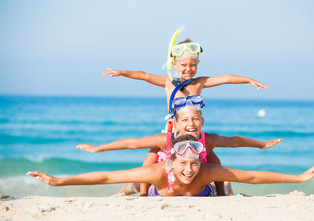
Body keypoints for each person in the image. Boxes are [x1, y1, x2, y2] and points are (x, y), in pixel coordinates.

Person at [76, 103, 283, 196]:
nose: (191, 123)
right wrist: (99, 149)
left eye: (195, 119)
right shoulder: (164, 139)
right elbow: (131, 142)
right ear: (176, 124)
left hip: (195, 176)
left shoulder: (207, 139)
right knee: (150, 154)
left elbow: (235, 141)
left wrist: (262, 145)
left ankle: (222, 194)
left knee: (215, 161)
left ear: (202, 121)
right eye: (185, 120)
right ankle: (140, 192)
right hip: (166, 177)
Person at [27, 135, 314, 197]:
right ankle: (134, 190)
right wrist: (59, 181)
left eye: (194, 163)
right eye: (182, 163)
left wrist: (299, 178)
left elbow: (252, 175)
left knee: (231, 179)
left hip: (204, 194)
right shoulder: (159, 171)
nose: (188, 169)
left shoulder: (207, 171)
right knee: (129, 182)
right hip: (162, 190)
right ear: (170, 161)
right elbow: (106, 175)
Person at [103, 38, 269, 108]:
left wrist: (248, 80)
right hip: (172, 133)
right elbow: (143, 75)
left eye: (192, 65)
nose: (188, 69)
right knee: (149, 158)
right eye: (183, 65)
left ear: (197, 64)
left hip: (194, 134)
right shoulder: (167, 82)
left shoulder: (200, 82)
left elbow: (226, 78)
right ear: (173, 64)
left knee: (215, 163)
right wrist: (121, 72)